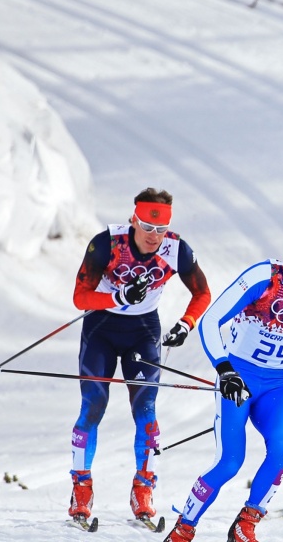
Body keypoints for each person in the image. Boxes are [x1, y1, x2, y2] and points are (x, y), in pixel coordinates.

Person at [162, 215, 283, 542]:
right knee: (230, 462)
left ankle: (246, 525)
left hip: (276, 384)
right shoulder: (265, 278)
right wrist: (224, 369)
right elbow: (212, 320)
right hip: (238, 377)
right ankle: (184, 527)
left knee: (280, 450)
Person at [67, 188, 211, 529]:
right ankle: (81, 489)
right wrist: (117, 295)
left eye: (160, 229)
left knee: (146, 411)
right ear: (134, 220)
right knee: (93, 406)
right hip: (101, 328)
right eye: (147, 226)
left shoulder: (177, 249)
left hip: (144, 331)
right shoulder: (107, 243)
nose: (154, 236)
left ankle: (143, 489)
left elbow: (202, 293)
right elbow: (79, 297)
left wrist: (186, 324)